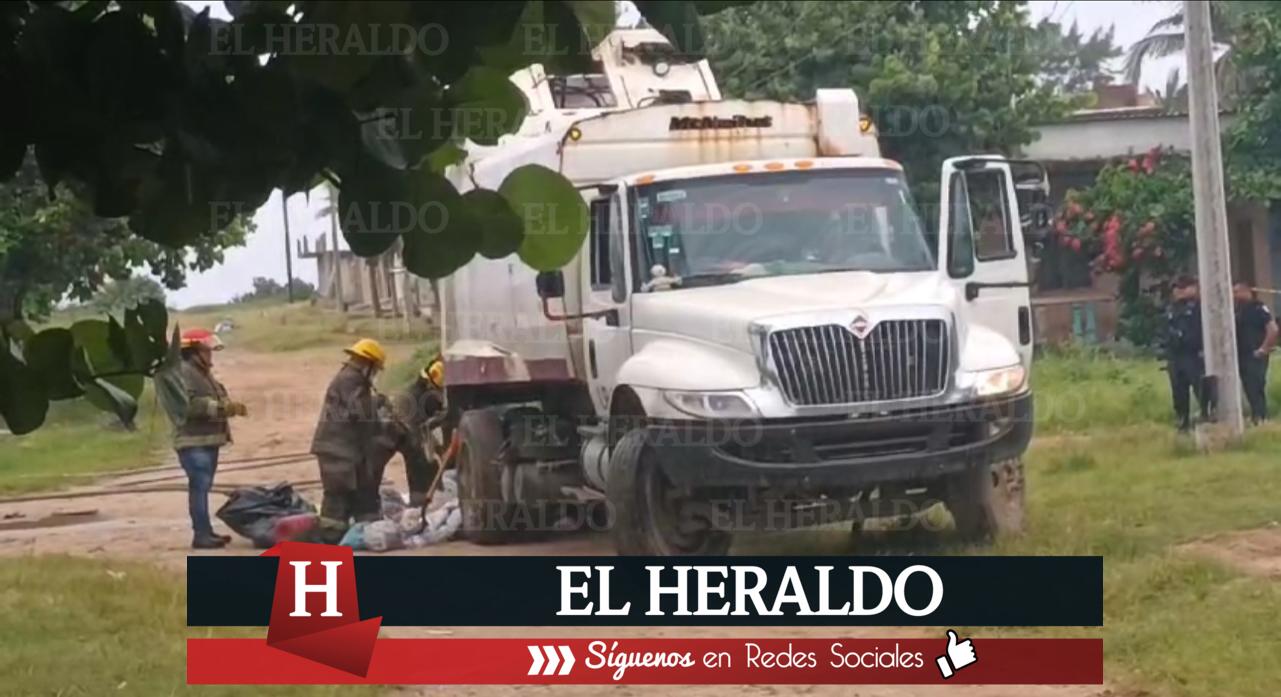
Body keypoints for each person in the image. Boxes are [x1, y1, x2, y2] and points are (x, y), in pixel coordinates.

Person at [167, 328, 248, 549]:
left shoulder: (201, 373)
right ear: (193, 352)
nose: (210, 355)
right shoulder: (184, 372)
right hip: (193, 443)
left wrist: (228, 406)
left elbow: (215, 397)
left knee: (202, 487)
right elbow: (188, 405)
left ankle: (206, 532)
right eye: (206, 351)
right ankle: (201, 535)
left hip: (206, 441)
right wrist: (221, 408)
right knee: (200, 487)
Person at [309, 338, 386, 542]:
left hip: (342, 448)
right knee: (337, 496)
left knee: (356, 491)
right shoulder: (350, 380)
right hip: (337, 449)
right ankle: (330, 538)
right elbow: (358, 410)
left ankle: (354, 534)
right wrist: (377, 403)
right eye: (375, 369)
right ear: (368, 364)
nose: (375, 374)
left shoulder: (352, 379)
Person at [1165, 276, 1209, 432]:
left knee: (1201, 388)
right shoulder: (1172, 308)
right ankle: (1182, 421)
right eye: (1177, 288)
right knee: (1178, 391)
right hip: (1176, 356)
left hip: (1194, 354)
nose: (1178, 291)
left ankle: (1206, 415)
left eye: (1183, 287)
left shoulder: (1200, 306)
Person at [1234, 282, 1278, 424]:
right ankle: (1255, 416)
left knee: (1256, 386)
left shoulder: (1258, 308)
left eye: (1237, 291)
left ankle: (1261, 417)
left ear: (1247, 291)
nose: (1235, 295)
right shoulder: (1236, 310)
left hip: (1255, 354)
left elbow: (1273, 329)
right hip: (1242, 355)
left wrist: (1263, 349)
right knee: (1248, 387)